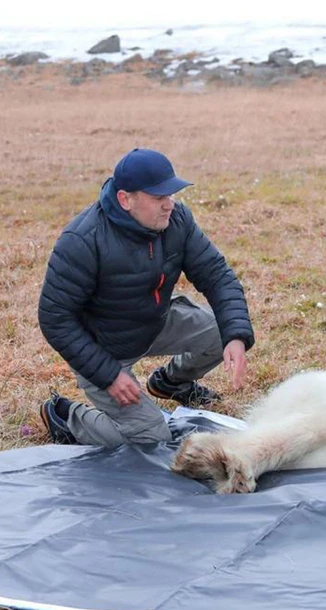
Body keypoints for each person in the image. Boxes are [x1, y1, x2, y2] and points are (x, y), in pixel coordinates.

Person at [38, 148, 255, 447]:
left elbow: (216, 274)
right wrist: (109, 375)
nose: (169, 205)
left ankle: (170, 382)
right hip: (104, 347)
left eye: (171, 195)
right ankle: (67, 416)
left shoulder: (177, 220)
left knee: (223, 330)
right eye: (158, 198)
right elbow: (54, 318)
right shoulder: (82, 240)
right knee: (150, 437)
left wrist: (236, 336)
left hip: (154, 322)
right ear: (126, 199)